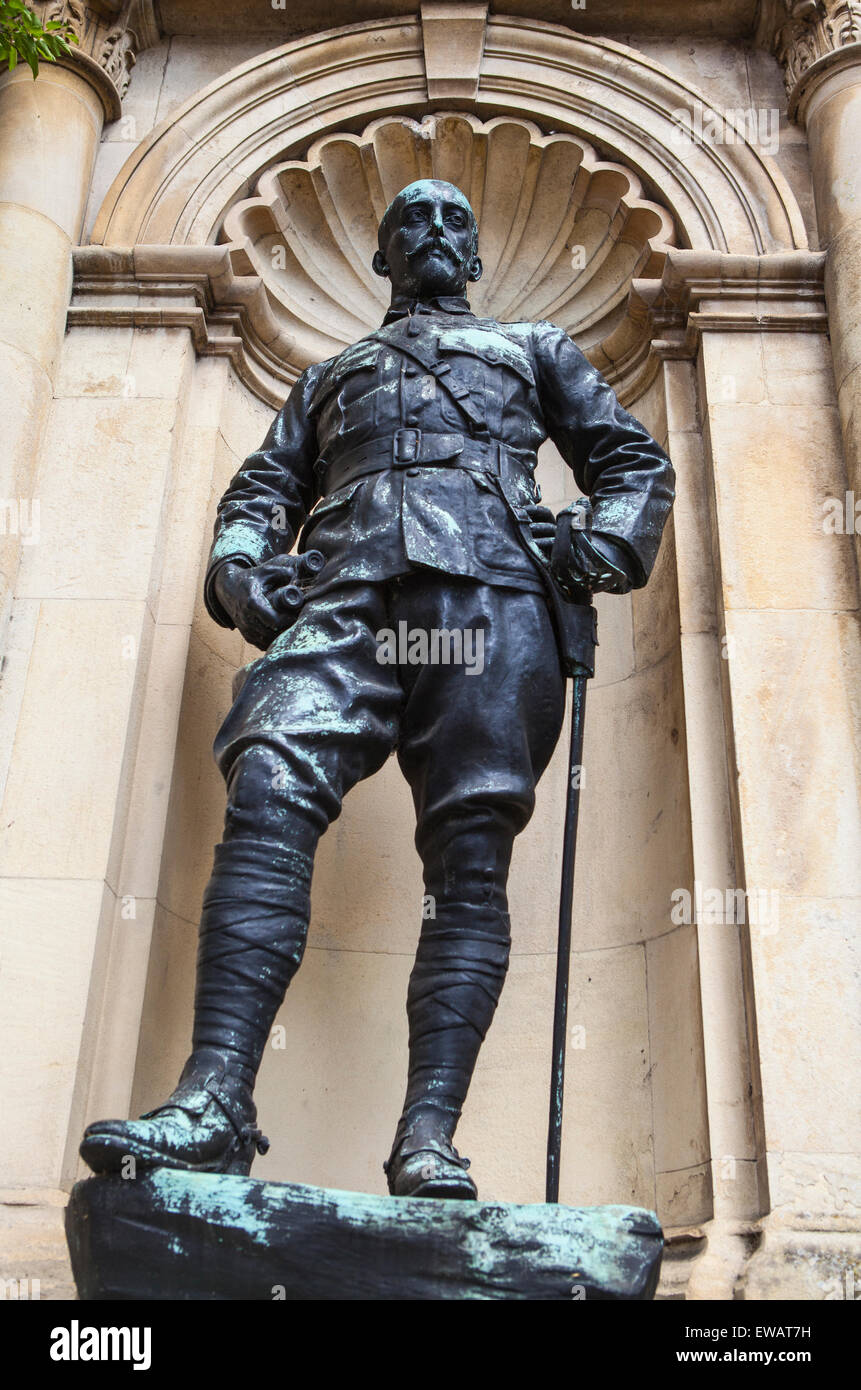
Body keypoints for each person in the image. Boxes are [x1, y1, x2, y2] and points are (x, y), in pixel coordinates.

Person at [80, 179, 674, 1199]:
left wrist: (597, 545)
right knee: (268, 777)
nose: (435, 232)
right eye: (412, 222)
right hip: (343, 597)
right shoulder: (329, 374)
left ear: (478, 257)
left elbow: (632, 462)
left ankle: (427, 1138)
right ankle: (217, 1097)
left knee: (469, 855)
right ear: (383, 259)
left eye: (455, 218)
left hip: (491, 602)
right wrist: (237, 562)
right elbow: (262, 489)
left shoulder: (534, 348)